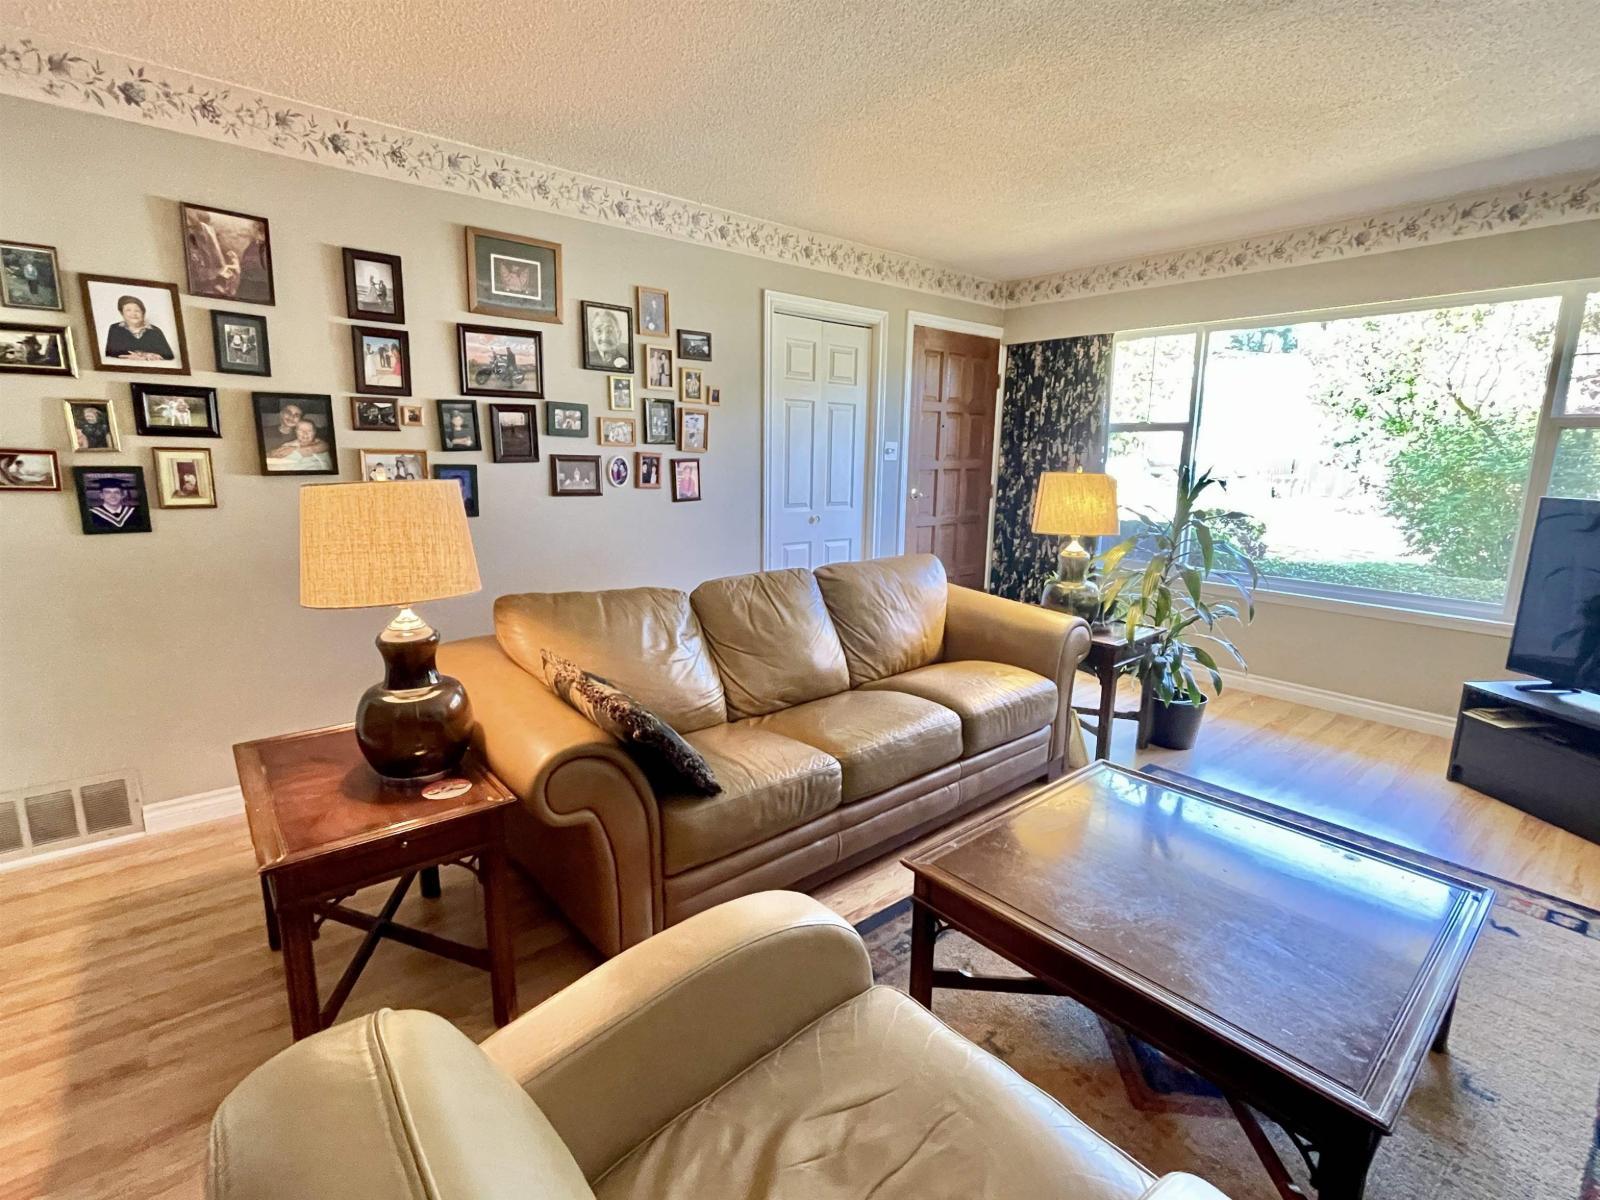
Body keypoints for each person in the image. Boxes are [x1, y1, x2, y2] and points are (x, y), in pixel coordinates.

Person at [103, 295, 176, 362]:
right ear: (122, 313)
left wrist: (144, 356)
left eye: (137, 310)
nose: (133, 314)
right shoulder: (115, 328)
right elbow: (110, 352)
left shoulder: (155, 331)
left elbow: (169, 356)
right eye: (128, 310)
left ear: (143, 313)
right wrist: (144, 355)